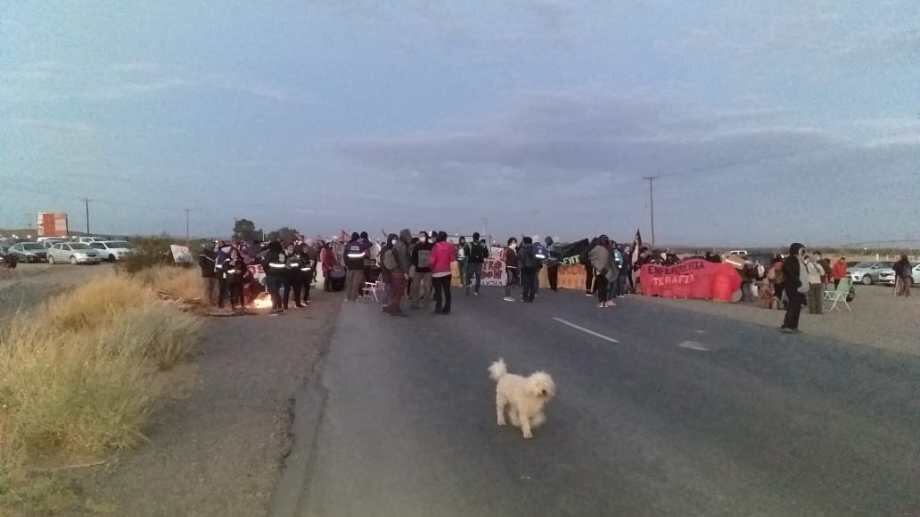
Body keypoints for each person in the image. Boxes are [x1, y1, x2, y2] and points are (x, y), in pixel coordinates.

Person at [383, 229, 412, 316]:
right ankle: (395, 309)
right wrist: (406, 272)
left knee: (395, 290)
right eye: (409, 235)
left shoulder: (398, 244)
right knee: (398, 291)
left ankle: (392, 307)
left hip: (395, 271)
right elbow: (403, 260)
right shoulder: (402, 246)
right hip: (399, 271)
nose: (410, 237)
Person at [781, 243, 808, 333]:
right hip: (793, 286)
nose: (803, 252)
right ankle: (787, 325)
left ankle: (794, 326)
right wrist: (798, 282)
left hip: (800, 287)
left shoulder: (800, 260)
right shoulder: (790, 260)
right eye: (801, 250)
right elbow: (790, 272)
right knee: (793, 306)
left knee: (797, 307)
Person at [430, 231, 455, 314]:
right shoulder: (450, 246)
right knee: (447, 291)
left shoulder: (435, 247)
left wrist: (431, 268)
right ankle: (447, 308)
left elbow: (432, 260)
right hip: (447, 272)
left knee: (438, 291)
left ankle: (438, 308)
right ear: (445, 237)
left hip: (436, 272)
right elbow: (452, 259)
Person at [263, 240, 288, 315]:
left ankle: (274, 308)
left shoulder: (270, 253)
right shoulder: (282, 253)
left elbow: (265, 264)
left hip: (271, 275)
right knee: (276, 291)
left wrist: (267, 272)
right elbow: (284, 263)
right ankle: (279, 307)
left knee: (273, 292)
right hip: (280, 276)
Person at [410, 231, 433, 309]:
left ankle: (426, 303)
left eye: (423, 236)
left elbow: (433, 256)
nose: (422, 238)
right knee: (415, 287)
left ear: (426, 237)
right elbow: (413, 258)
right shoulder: (416, 247)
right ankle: (415, 303)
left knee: (427, 287)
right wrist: (416, 264)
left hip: (428, 270)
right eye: (420, 236)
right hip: (418, 270)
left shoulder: (431, 246)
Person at [589, 235, 612, 308]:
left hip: (599, 270)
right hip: (607, 270)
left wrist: (594, 262)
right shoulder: (609, 248)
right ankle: (605, 302)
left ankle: (601, 302)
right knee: (605, 287)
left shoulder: (597, 248)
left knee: (600, 286)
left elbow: (590, 255)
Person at [518, 236, 540, 303]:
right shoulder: (535, 249)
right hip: (533, 268)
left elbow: (519, 258)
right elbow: (538, 259)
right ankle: (531, 298)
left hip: (525, 268)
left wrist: (520, 266)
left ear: (524, 242)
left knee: (526, 284)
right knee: (532, 283)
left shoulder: (522, 249)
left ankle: (525, 298)